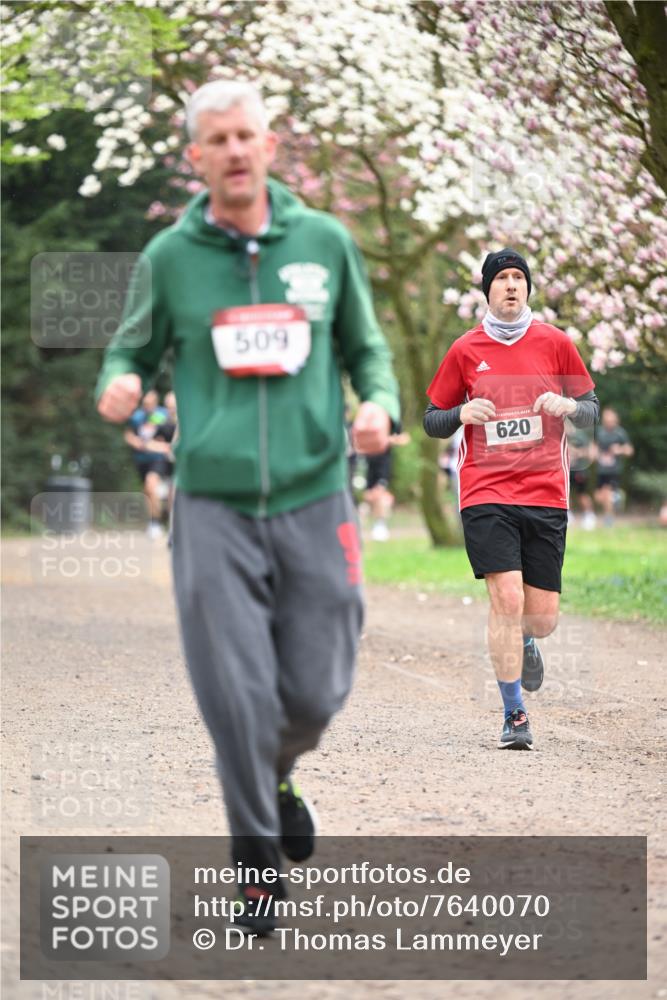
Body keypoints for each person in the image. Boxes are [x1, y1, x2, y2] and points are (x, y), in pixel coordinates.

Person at [96, 80, 399, 932]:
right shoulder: (170, 258)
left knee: (313, 690)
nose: (234, 150)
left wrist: (378, 404)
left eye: (246, 136)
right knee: (235, 692)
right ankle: (255, 864)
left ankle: (277, 772)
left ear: (269, 146)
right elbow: (128, 350)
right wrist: (119, 381)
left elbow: (367, 351)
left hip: (315, 494)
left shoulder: (324, 242)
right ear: (197, 157)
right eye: (217, 139)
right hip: (212, 507)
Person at [424, 248, 599, 750]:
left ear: (527, 288)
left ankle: (526, 640)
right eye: (501, 278)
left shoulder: (556, 343)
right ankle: (514, 713)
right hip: (486, 490)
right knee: (506, 599)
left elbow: (591, 408)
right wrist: (461, 413)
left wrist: (568, 404)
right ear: (488, 290)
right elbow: (432, 420)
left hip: (546, 492)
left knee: (541, 618)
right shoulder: (465, 349)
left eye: (518, 277)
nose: (511, 284)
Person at [123, 389, 170, 538]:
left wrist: (160, 443)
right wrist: (135, 441)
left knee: (151, 484)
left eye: (149, 404)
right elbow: (128, 434)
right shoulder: (137, 416)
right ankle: (154, 520)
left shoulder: (163, 414)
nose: (147, 406)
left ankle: (157, 522)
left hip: (158, 458)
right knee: (148, 491)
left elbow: (171, 433)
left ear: (155, 402)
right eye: (145, 403)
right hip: (141, 459)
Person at [363, 431, 410, 541]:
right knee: (369, 497)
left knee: (380, 495)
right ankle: (375, 524)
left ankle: (380, 525)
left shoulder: (391, 422)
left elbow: (404, 438)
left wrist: (386, 440)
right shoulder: (363, 421)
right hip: (366, 463)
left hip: (382, 465)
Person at [593, 407, 634, 526]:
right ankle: (617, 497)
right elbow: (594, 447)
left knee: (607, 494)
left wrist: (619, 449)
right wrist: (594, 453)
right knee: (598, 497)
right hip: (601, 470)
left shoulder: (620, 433)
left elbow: (630, 450)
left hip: (614, 470)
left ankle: (608, 519)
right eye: (606, 418)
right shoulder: (599, 432)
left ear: (615, 419)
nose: (609, 421)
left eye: (611, 418)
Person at [567, 425, 596, 529]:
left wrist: (576, 452)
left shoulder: (580, 437)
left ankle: (589, 515)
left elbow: (591, 453)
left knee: (582, 494)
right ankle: (568, 515)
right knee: (566, 494)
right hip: (566, 470)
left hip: (579, 470)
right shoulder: (560, 436)